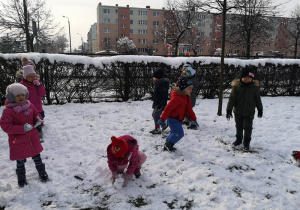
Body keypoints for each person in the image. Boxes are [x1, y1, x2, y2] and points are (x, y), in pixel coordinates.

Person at [0, 83, 49, 187]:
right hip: (18, 142)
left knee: (37, 157)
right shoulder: (8, 111)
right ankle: (21, 177)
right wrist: (22, 128)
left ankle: (42, 172)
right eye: (17, 95)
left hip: (32, 138)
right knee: (20, 161)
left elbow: (36, 114)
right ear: (11, 97)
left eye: (22, 94)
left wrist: (38, 119)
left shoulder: (30, 105)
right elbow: (6, 126)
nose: (21, 97)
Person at [226, 66, 263, 152]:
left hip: (249, 112)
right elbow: (232, 99)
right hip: (238, 111)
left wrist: (260, 109)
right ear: (241, 77)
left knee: (248, 128)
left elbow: (258, 99)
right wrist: (229, 110)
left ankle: (246, 143)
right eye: (245, 77)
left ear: (252, 78)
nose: (247, 79)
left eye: (249, 77)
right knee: (238, 126)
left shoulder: (254, 88)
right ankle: (238, 140)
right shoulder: (236, 87)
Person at [158, 77, 199, 152]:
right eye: (189, 88)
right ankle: (168, 144)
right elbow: (167, 109)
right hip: (172, 119)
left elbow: (189, 110)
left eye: (191, 88)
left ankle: (168, 144)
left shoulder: (187, 98)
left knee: (174, 133)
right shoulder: (177, 98)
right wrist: (162, 119)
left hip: (178, 119)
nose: (191, 90)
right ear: (183, 89)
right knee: (180, 133)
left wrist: (194, 120)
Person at [20, 65, 46, 142]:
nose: (33, 78)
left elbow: (42, 94)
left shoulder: (37, 84)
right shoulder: (22, 85)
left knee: (39, 118)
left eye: (34, 76)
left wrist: (39, 85)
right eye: (30, 77)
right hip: (27, 107)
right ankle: (33, 132)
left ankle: (39, 131)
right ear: (25, 77)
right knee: (30, 120)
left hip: (38, 107)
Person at [179, 64, 200, 129]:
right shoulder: (190, 79)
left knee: (189, 111)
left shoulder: (190, 81)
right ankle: (187, 120)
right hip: (188, 98)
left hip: (190, 99)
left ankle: (193, 123)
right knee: (186, 110)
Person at [149, 69, 170, 134]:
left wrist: (162, 104)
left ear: (159, 78)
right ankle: (163, 124)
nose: (153, 79)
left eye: (155, 77)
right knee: (154, 115)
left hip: (160, 104)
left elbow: (164, 96)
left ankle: (158, 128)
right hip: (158, 103)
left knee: (155, 115)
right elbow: (158, 94)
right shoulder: (159, 84)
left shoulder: (162, 85)